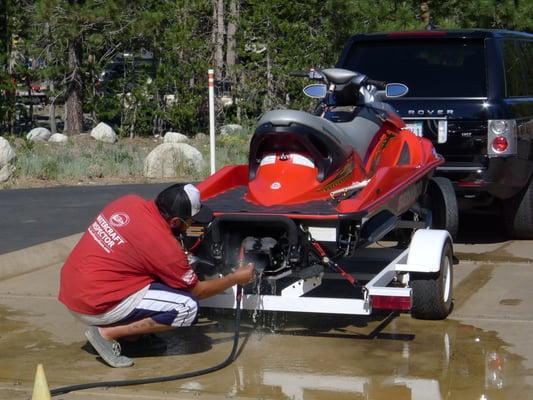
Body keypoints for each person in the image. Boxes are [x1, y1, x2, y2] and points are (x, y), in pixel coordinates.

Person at [58, 183, 254, 368]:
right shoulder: (164, 247)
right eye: (191, 221)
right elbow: (197, 291)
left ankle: (134, 337)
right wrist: (234, 279)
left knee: (160, 278)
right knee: (187, 307)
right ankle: (106, 333)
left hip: (73, 288)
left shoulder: (128, 202)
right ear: (176, 221)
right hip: (93, 304)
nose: (192, 224)